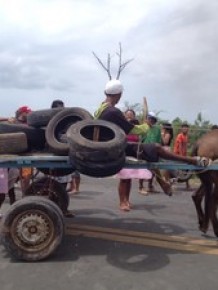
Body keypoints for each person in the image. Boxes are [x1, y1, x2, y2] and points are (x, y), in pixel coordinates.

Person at [94, 79, 211, 198]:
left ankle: (163, 183)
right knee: (156, 148)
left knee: (151, 153)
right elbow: (134, 130)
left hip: (110, 145)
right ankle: (192, 161)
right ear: (119, 94)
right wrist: (146, 126)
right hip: (115, 148)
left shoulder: (100, 109)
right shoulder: (113, 111)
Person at [116, 109, 152, 211]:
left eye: (131, 115)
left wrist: (145, 126)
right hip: (123, 155)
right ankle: (121, 202)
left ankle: (127, 200)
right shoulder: (121, 127)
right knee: (123, 179)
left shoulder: (136, 128)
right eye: (127, 115)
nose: (129, 117)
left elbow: (142, 137)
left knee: (129, 180)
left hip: (134, 156)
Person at [50, 99, 81, 194]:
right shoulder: (49, 121)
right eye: (59, 108)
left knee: (63, 180)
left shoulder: (66, 120)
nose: (61, 110)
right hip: (54, 153)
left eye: (62, 108)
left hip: (65, 153)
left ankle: (60, 204)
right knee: (54, 181)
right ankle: (55, 202)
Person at [139, 112, 162, 194]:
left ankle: (150, 186)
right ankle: (141, 187)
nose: (151, 120)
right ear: (147, 119)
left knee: (153, 169)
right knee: (142, 168)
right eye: (150, 119)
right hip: (144, 150)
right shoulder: (143, 128)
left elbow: (159, 141)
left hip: (154, 151)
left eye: (153, 119)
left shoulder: (157, 129)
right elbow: (140, 140)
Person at [173, 123, 191, 190]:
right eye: (184, 128)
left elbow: (185, 147)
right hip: (177, 155)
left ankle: (187, 184)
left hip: (183, 155)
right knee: (177, 170)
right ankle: (174, 184)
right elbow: (180, 146)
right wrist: (181, 157)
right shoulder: (179, 136)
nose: (185, 129)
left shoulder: (186, 136)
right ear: (182, 129)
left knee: (186, 169)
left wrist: (185, 155)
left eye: (186, 128)